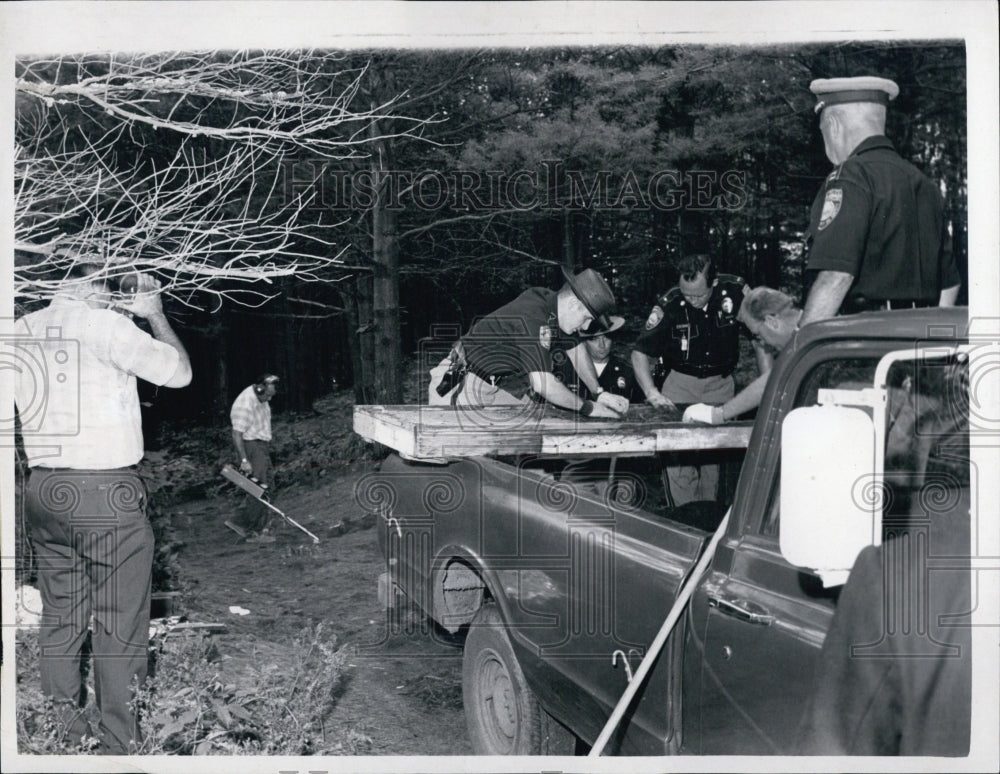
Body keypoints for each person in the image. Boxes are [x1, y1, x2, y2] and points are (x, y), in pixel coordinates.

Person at [12, 262, 191, 753]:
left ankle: (63, 736)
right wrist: (153, 315)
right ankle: (119, 746)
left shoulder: (20, 330)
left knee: (61, 617)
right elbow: (179, 373)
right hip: (106, 490)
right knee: (120, 622)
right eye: (113, 286)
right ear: (98, 285)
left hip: (44, 488)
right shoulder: (107, 326)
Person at [800, 76, 961, 326]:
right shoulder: (923, 183)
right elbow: (950, 283)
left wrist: (801, 342)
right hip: (915, 340)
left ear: (833, 125)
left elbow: (835, 275)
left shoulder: (851, 176)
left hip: (863, 344)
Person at [631, 253, 771, 504]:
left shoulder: (735, 292)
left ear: (714, 283)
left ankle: (710, 518)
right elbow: (639, 353)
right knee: (678, 459)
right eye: (686, 294)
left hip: (721, 386)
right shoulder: (670, 302)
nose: (691, 300)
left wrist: (768, 384)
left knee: (714, 461)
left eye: (698, 295)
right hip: (680, 385)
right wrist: (652, 393)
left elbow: (760, 340)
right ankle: (684, 519)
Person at [428, 268, 628, 419]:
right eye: (586, 319)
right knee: (447, 455)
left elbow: (576, 348)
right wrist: (589, 408)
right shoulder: (533, 315)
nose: (585, 327)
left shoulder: (552, 306)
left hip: (488, 386)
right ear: (574, 305)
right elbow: (542, 384)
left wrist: (598, 393)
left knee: (535, 430)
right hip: (459, 383)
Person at [683, 287, 801, 424]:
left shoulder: (811, 339)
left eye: (757, 335)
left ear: (772, 322)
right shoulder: (802, 338)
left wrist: (717, 415)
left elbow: (774, 380)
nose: (762, 342)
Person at [229, 373, 280, 542]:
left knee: (268, 485)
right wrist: (244, 460)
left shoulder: (263, 398)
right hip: (250, 445)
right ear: (260, 388)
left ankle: (245, 522)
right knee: (259, 488)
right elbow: (237, 434)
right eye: (267, 395)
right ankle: (250, 528)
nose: (269, 399)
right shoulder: (245, 404)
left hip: (261, 445)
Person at [552, 315, 643, 403]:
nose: (602, 345)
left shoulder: (628, 372)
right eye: (594, 339)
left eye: (606, 338)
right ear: (583, 343)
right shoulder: (565, 370)